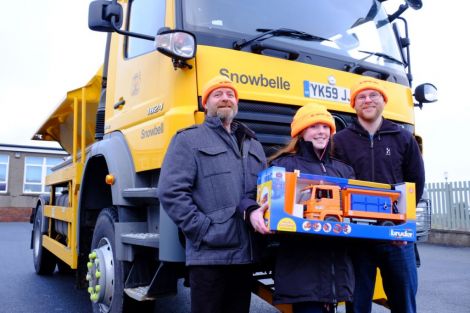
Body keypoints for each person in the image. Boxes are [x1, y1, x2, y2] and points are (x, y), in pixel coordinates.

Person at [158, 75, 267, 313]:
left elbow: (263, 193)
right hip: (209, 255)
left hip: (245, 255)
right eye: (217, 94)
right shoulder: (188, 139)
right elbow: (171, 191)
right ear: (205, 104)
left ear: (236, 103)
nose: (225, 98)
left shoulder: (253, 144)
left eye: (230, 95)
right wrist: (202, 229)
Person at [251, 103, 355, 313]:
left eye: (325, 127)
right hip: (303, 277)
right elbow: (265, 206)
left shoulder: (345, 170)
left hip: (337, 275)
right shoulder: (283, 167)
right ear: (300, 132)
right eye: (313, 126)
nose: (321, 132)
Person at [333, 78, 425, 313]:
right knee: (357, 305)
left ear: (383, 101)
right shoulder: (340, 141)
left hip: (395, 236)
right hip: (357, 236)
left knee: (404, 302)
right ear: (354, 105)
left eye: (373, 95)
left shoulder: (403, 138)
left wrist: (404, 224)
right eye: (361, 97)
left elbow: (416, 181)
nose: (367, 101)